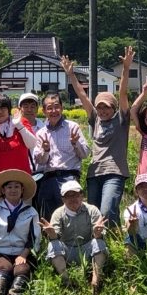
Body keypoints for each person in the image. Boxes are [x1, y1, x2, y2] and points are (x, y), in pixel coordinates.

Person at [60, 48, 133, 227]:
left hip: (114, 172)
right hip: (94, 173)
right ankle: (99, 245)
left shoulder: (121, 120)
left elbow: (122, 94)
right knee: (94, 215)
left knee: (107, 211)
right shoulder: (96, 119)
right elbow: (82, 95)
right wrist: (71, 75)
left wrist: (125, 68)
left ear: (114, 108)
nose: (103, 110)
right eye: (100, 107)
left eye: (107, 107)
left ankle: (114, 243)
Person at [0, 169, 40, 295]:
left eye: (16, 187)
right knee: (4, 267)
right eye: (9, 187)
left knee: (22, 269)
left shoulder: (30, 212)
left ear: (22, 189)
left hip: (21, 251)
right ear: (3, 190)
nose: (13, 190)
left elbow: (34, 237)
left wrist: (24, 255)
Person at [32, 93, 89, 222]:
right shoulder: (41, 133)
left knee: (71, 214)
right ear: (44, 111)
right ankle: (51, 241)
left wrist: (75, 143)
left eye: (57, 107)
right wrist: (45, 150)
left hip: (69, 176)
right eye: (50, 108)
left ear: (62, 108)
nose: (54, 111)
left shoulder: (72, 127)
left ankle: (74, 241)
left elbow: (85, 154)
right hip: (48, 178)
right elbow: (39, 161)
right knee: (47, 216)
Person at [43, 179, 107, 293]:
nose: (73, 199)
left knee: (99, 243)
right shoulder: (58, 213)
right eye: (68, 196)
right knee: (53, 245)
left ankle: (96, 280)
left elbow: (99, 234)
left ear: (82, 195)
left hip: (87, 248)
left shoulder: (92, 210)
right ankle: (66, 281)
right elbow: (55, 237)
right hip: (68, 251)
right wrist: (52, 235)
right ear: (63, 199)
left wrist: (97, 233)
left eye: (76, 194)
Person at [0, 94, 36, 187]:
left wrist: (19, 125)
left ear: (8, 109)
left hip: (20, 183)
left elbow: (32, 144)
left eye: (3, 107)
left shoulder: (21, 122)